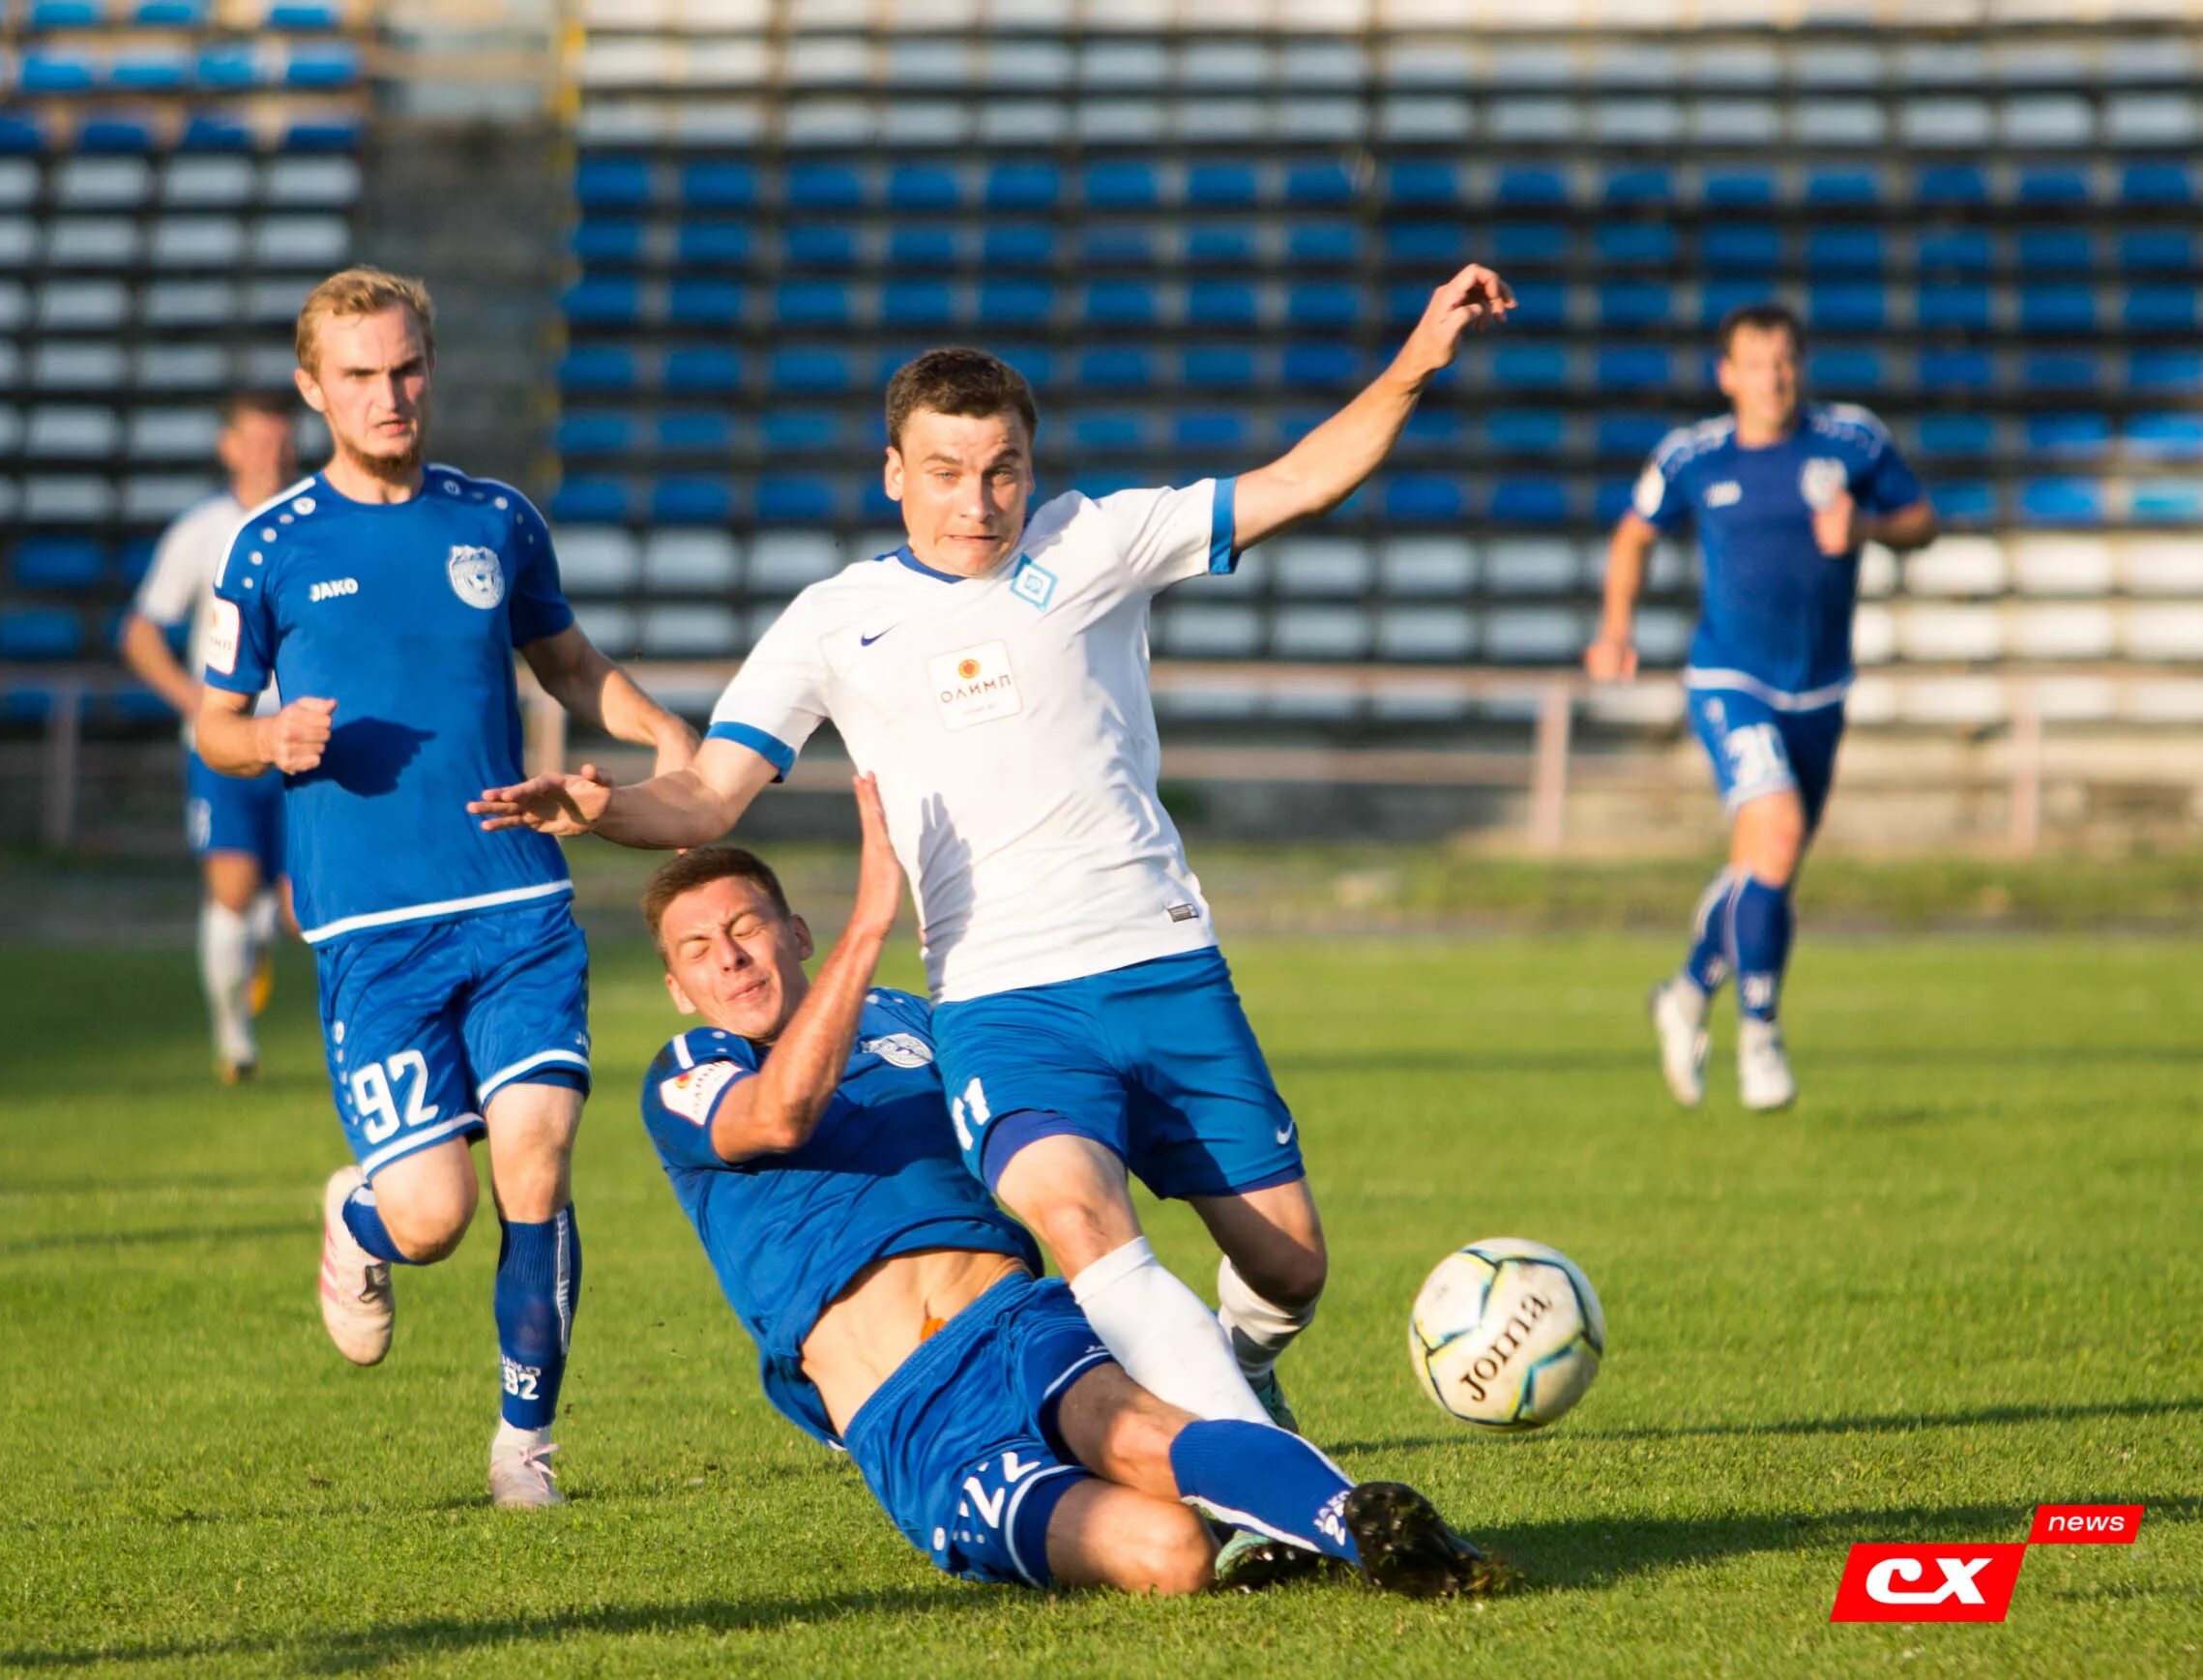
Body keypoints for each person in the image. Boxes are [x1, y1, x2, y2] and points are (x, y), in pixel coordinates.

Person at [474, 265, 1515, 1444]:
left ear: (1031, 465)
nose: (978, 501)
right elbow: (710, 795)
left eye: (1002, 470)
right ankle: (1263, 1479)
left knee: (1292, 1269)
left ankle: (1231, 1367)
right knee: (1077, 1221)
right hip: (1000, 996)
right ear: (893, 475)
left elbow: (1298, 480)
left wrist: (1417, 358)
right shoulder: (834, 621)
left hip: (1163, 964)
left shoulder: (1100, 540)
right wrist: (600, 807)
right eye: (946, 473)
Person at [635, 782, 1500, 1598]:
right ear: (678, 988)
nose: (733, 958)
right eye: (699, 951)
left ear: (795, 931)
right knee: (1174, 1555)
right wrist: (873, 919)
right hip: (913, 1420)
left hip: (1017, 1323)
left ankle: (1372, 1528)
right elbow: (780, 1117)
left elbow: (1047, 1089)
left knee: (1130, 1431)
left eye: (746, 927)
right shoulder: (691, 1071)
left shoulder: (910, 1020)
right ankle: (1242, 1431)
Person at [192, 266, 695, 1506]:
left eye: (407, 366)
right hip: (373, 930)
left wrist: (666, 737)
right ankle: (356, 1218)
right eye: (359, 375)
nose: (390, 393)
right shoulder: (268, 548)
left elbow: (569, 662)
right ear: (315, 389)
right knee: (432, 1218)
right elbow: (212, 723)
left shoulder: (497, 520)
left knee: (539, 1162)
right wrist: (268, 742)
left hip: (516, 902)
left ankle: (525, 1445)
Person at [1585, 302, 1937, 1111]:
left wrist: (1871, 529)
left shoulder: (1852, 442)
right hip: (1728, 678)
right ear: (1727, 374)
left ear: (1800, 365)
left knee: (1763, 869)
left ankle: (1682, 995)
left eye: (1785, 361)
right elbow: (1633, 535)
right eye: (1756, 363)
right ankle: (1760, 1034)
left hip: (1821, 688)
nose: (1773, 378)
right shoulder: (1692, 456)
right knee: (1774, 833)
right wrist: (1614, 628)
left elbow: (1924, 523)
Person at [119, 390, 300, 1082]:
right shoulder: (202, 532)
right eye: (256, 441)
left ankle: (260, 932)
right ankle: (236, 1041)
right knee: (229, 886)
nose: (270, 455)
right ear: (228, 446)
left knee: (298, 909)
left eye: (281, 442)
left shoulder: (314, 523)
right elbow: (140, 633)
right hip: (223, 746)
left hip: (304, 745)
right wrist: (194, 702)